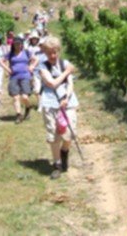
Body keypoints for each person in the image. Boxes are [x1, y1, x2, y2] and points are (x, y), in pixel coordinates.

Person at [39, 36, 78, 179]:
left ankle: (64, 152)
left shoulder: (64, 63)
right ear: (45, 52)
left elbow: (70, 84)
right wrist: (67, 72)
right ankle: (57, 164)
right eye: (49, 52)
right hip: (50, 102)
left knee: (69, 133)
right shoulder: (42, 67)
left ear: (58, 51)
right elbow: (52, 83)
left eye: (54, 52)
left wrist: (66, 98)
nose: (52, 55)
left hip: (68, 102)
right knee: (54, 134)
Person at [0, 35, 37, 123]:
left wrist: (32, 66)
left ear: (22, 44)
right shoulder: (10, 54)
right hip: (14, 77)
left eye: (19, 44)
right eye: (16, 44)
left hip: (25, 76)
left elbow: (36, 60)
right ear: (13, 45)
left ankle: (28, 107)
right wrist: (8, 69)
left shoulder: (26, 52)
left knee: (24, 97)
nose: (18, 46)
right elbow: (0, 61)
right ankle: (19, 115)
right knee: (16, 97)